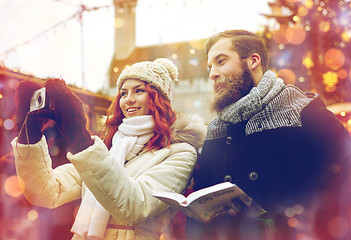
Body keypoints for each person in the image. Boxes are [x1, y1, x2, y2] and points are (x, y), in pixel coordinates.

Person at [186, 30, 351, 240]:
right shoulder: (216, 129)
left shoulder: (305, 112)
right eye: (210, 67)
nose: (212, 74)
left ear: (253, 61)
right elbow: (199, 210)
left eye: (221, 61)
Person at [12, 58, 206, 240]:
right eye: (123, 93)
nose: (128, 99)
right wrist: (29, 133)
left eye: (139, 91)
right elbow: (46, 192)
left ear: (160, 98)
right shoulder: (110, 147)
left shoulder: (180, 152)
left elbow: (133, 205)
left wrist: (80, 139)